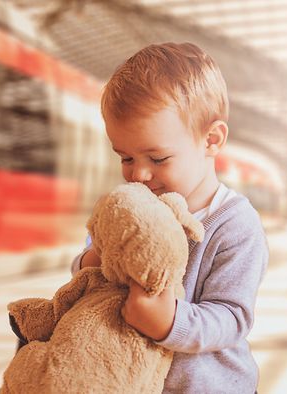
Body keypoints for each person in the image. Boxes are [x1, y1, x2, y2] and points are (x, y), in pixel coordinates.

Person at [70, 42, 269, 393]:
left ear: (211, 140)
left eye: (158, 159)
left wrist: (171, 322)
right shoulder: (132, 208)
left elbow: (232, 317)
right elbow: (84, 271)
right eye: (126, 158)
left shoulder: (235, 225)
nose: (139, 175)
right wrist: (95, 257)